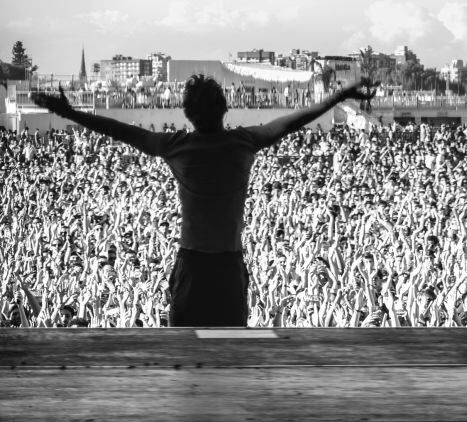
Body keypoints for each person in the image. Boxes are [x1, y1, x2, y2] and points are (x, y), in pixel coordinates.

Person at [32, 75, 378, 327]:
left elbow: (121, 130)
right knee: (231, 356)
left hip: (192, 266)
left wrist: (70, 113)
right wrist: (340, 95)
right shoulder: (244, 142)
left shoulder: (176, 146)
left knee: (184, 353)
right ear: (225, 108)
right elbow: (295, 120)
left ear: (187, 112)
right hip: (228, 265)